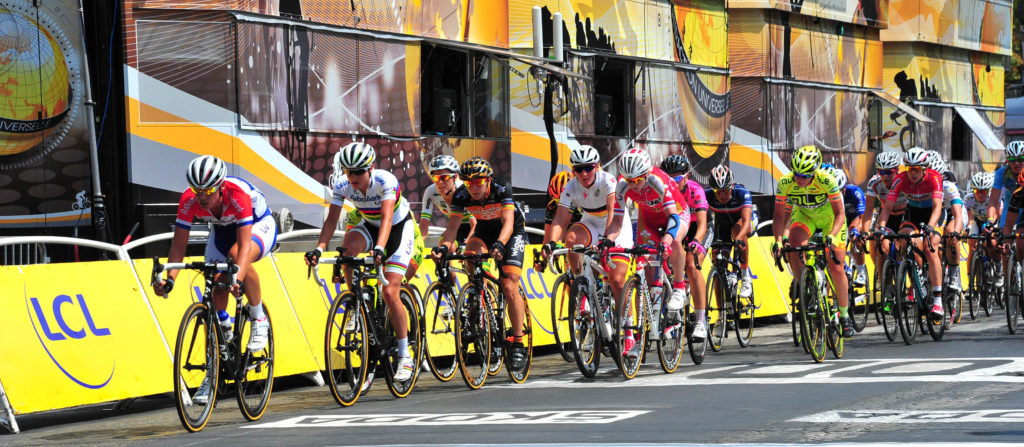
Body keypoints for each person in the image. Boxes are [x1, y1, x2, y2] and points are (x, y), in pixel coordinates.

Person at [152, 155, 276, 403]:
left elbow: (242, 247)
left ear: (220, 186)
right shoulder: (188, 200)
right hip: (221, 233)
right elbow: (178, 246)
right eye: (197, 190)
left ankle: (258, 316)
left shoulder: (237, 194)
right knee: (213, 289)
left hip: (258, 227)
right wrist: (170, 279)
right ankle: (213, 370)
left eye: (208, 190)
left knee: (233, 260)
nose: (202, 196)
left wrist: (237, 279)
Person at [305, 142, 417, 382]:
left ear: (370, 169)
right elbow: (331, 221)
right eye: (348, 172)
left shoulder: (385, 181)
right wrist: (319, 248)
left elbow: (387, 219)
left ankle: (405, 354)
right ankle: (355, 299)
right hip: (370, 225)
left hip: (397, 228)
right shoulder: (343, 185)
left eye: (358, 172)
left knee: (389, 291)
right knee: (346, 252)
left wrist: (379, 249)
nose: (353, 177)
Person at [437, 157, 530, 371]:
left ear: (488, 181)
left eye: (479, 182)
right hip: (484, 231)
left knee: (508, 284)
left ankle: (518, 342)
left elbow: (508, 223)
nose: (474, 188)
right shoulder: (461, 196)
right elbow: (452, 228)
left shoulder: (501, 188)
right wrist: (444, 246)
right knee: (471, 254)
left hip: (511, 232)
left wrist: (500, 244)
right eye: (470, 183)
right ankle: (479, 296)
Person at [604, 148, 694, 351]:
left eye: (637, 180)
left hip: (676, 214)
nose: (633, 185)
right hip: (649, 219)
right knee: (645, 269)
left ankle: (679, 287)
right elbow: (617, 221)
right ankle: (640, 332)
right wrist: (608, 240)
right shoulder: (622, 185)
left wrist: (667, 240)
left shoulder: (658, 181)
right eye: (629, 180)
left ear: (646, 174)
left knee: (676, 241)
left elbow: (673, 217)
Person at [771, 145, 853, 337]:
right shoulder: (785, 182)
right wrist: (778, 240)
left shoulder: (827, 180)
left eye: (805, 175)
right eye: (796, 174)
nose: (799, 179)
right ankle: (805, 287)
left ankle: (844, 314)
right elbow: (779, 217)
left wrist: (832, 235)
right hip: (805, 216)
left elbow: (840, 214)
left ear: (814, 171)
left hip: (830, 220)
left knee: (836, 266)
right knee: (794, 246)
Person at [539, 145, 632, 302]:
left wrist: (607, 240)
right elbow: (561, 219)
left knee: (616, 281)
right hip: (592, 222)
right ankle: (582, 284)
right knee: (571, 239)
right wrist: (552, 243)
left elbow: (612, 213)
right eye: (579, 169)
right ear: (573, 171)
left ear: (596, 166)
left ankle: (628, 324)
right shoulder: (570, 187)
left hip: (616, 225)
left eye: (588, 168)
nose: (584, 173)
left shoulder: (607, 181)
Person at [874, 147, 944, 321]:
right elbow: (887, 208)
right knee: (905, 239)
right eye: (909, 168)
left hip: (932, 215)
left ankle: (938, 301)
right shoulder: (900, 179)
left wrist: (930, 226)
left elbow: (937, 208)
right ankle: (915, 278)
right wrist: (881, 229)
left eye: (917, 169)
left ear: (925, 168)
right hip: (913, 212)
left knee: (930, 248)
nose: (912, 173)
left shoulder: (935, 178)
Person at [661, 154, 711, 322]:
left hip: (698, 228)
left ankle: (701, 320)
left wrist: (696, 240)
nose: (674, 183)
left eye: (678, 178)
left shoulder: (695, 190)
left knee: (691, 266)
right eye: (669, 178)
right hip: (678, 227)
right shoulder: (663, 191)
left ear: (687, 176)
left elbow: (703, 224)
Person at [705, 165, 758, 296]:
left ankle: (745, 277)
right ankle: (720, 313)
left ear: (732, 186)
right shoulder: (707, 195)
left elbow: (746, 222)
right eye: (718, 191)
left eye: (726, 190)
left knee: (738, 229)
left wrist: (739, 239)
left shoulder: (741, 192)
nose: (722, 195)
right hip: (722, 226)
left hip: (744, 222)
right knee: (718, 266)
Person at [862, 151, 905, 284]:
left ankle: (911, 279)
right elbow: (868, 210)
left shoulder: (905, 180)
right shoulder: (874, 183)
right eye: (881, 172)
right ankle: (884, 283)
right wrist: (864, 231)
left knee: (904, 246)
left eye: (889, 172)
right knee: (881, 247)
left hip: (905, 215)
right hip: (887, 217)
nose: (885, 177)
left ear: (897, 170)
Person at [824, 166, 867, 287]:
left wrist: (855, 231)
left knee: (855, 236)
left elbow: (861, 217)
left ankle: (861, 272)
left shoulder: (855, 192)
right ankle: (844, 267)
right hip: (838, 221)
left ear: (844, 188)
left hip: (855, 219)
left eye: (840, 191)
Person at [420, 154, 476, 244]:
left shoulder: (465, 190)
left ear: (455, 176)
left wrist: (467, 245)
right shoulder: (430, 191)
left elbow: (475, 224)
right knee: (443, 247)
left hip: (477, 227)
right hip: (456, 227)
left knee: (472, 250)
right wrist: (417, 246)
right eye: (436, 178)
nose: (440, 182)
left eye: (444, 177)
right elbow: (423, 226)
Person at [964, 172, 995, 265]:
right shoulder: (969, 198)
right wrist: (966, 227)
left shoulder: (992, 198)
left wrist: (991, 223)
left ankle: (997, 266)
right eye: (977, 191)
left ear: (989, 191)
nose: (980, 194)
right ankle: (971, 276)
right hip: (977, 221)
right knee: (971, 247)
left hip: (991, 221)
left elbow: (998, 213)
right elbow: (964, 214)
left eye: (984, 191)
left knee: (992, 244)